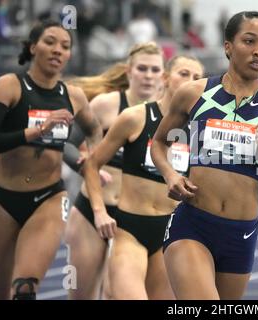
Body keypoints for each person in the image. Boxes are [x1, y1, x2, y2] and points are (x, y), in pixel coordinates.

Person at [151, 11, 258, 299]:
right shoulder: (194, 93)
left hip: (241, 233)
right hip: (193, 225)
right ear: (228, 47)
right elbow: (159, 143)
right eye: (249, 41)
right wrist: (170, 175)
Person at [82, 54, 204, 299]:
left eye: (197, 78)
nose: (190, 81)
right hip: (131, 232)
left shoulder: (200, 129)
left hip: (171, 235)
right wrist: (99, 212)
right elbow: (93, 164)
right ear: (166, 78)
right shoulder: (134, 117)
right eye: (184, 74)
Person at [0, 19, 102, 300]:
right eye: (50, 42)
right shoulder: (10, 86)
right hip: (3, 198)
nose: (58, 50)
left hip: (49, 199)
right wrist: (37, 131)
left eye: (65, 46)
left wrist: (92, 157)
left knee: (25, 289)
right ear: (33, 47)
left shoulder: (74, 96)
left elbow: (94, 131)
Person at [63, 42, 165, 300]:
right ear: (129, 72)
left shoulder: (168, 114)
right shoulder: (107, 105)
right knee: (81, 293)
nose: (148, 75)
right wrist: (86, 166)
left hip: (137, 220)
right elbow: (65, 144)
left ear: (163, 75)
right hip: (93, 212)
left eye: (155, 70)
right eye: (142, 68)